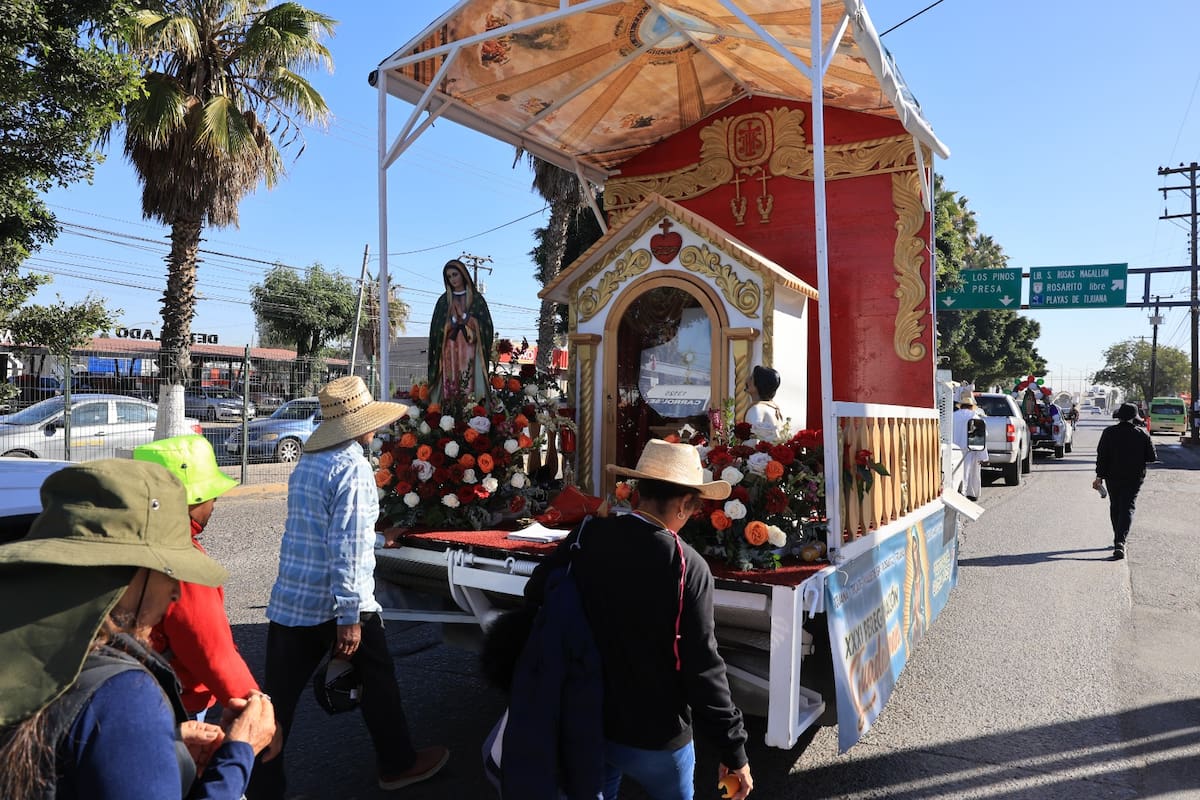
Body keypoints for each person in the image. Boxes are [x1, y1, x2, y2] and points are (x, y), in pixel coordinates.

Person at [0, 459, 275, 799]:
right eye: (170, 572)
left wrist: (155, 748)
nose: (175, 592)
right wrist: (238, 754)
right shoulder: (123, 694)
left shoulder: (23, 643)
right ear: (132, 572)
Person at [248, 376, 449, 798]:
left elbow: (324, 531)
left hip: (292, 598)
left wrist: (377, 538)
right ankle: (398, 764)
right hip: (338, 602)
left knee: (276, 702)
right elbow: (348, 549)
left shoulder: (311, 460)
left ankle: (257, 786)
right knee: (379, 678)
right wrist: (349, 616)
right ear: (361, 422)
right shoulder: (352, 466)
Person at [520, 440, 754, 800]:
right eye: (693, 509)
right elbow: (702, 667)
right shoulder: (686, 565)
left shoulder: (587, 534)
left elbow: (537, 591)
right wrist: (733, 751)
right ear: (682, 504)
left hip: (589, 717)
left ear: (638, 493)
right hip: (657, 735)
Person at [133, 434, 262, 721]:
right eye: (211, 493)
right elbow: (212, 652)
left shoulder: (127, 541)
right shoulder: (183, 565)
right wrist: (253, 707)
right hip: (172, 705)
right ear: (192, 499)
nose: (215, 502)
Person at [1093, 402, 1157, 560]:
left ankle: (1118, 538)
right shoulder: (1141, 434)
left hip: (1112, 476)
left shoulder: (1108, 432)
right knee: (1127, 507)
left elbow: (1102, 456)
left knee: (1115, 506)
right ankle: (1120, 541)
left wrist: (1099, 476)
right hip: (1134, 477)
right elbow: (1152, 457)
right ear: (1134, 418)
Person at [428, 258, 495, 405]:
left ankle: (471, 410)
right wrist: (451, 322)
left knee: (468, 381)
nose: (453, 279)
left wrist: (465, 317)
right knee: (451, 383)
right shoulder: (444, 301)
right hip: (449, 350)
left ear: (463, 274)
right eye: (449, 276)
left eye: (455, 274)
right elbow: (435, 330)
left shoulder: (476, 299)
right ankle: (449, 411)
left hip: (470, 351)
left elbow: (487, 327)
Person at [952, 394, 988, 501]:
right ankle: (969, 493)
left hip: (953, 450)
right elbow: (981, 437)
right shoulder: (975, 418)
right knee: (971, 473)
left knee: (954, 473)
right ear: (972, 406)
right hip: (970, 450)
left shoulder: (952, 416)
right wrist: (983, 457)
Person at [744, 365, 784, 442]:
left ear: (758, 385)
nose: (747, 379)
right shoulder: (773, 408)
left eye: (751, 378)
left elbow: (754, 441)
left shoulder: (757, 409)